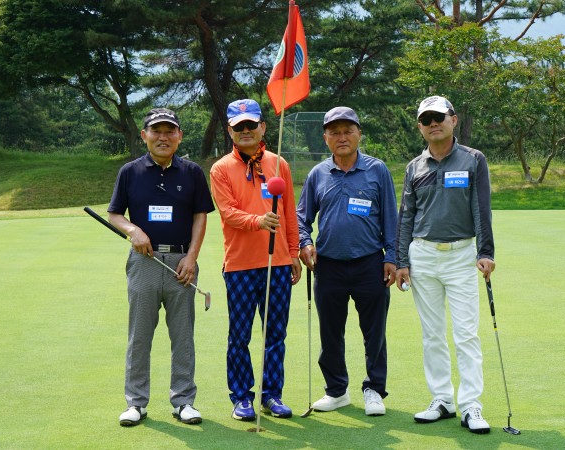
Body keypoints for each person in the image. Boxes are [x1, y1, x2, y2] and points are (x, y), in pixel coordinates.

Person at [107, 108, 215, 427]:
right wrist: (133, 230)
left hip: (182, 262)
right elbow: (115, 214)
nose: (163, 137)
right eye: (157, 131)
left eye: (170, 131)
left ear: (179, 136)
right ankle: (136, 403)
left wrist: (192, 257)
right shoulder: (130, 172)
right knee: (140, 336)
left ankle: (183, 401)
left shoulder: (192, 172)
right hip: (145, 261)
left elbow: (200, 216)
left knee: (182, 337)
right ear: (145, 136)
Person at [395, 95, 496, 434]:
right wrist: (401, 260)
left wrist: (485, 252)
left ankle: (470, 404)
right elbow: (406, 216)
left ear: (453, 119)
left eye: (439, 117)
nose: (433, 124)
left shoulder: (473, 159)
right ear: (420, 127)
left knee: (466, 334)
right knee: (432, 334)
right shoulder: (415, 167)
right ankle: (442, 399)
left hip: (461, 255)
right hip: (422, 256)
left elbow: (481, 208)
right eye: (426, 120)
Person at [297, 106, 398, 417]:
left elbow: (390, 218)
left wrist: (392, 256)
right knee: (330, 333)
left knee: (374, 333)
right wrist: (305, 243)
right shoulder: (318, 174)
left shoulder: (377, 170)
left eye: (347, 131)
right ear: (325, 138)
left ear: (359, 134)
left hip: (370, 263)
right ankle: (336, 390)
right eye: (335, 132)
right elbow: (301, 218)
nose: (342, 137)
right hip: (328, 265)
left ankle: (374, 390)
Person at [209, 98, 302, 421]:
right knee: (240, 336)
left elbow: (289, 213)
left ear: (262, 127)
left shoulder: (279, 164)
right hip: (240, 266)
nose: (246, 130)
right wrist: (258, 221)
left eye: (251, 125)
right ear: (230, 131)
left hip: (277, 264)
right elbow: (227, 212)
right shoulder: (220, 169)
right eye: (239, 127)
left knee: (275, 334)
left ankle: (271, 395)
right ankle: (241, 397)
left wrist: (293, 253)